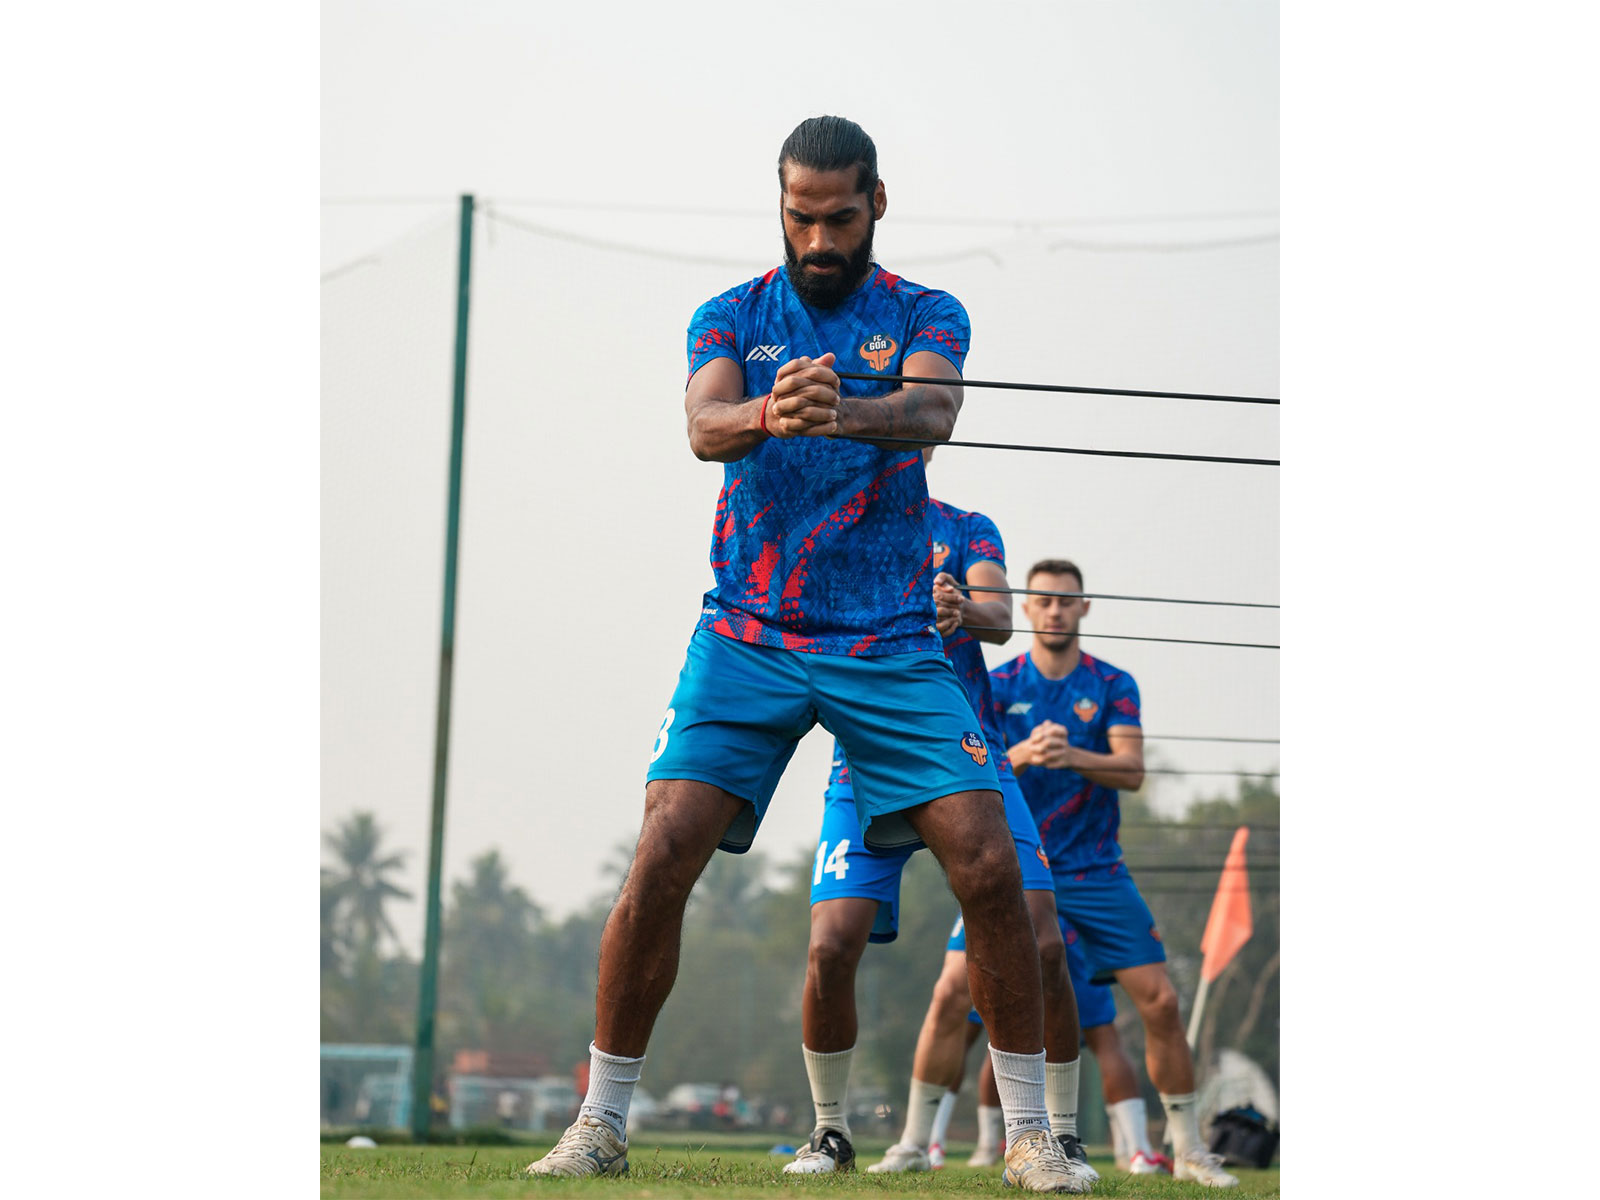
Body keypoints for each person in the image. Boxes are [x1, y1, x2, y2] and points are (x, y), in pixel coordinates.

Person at [525, 116, 1083, 1191]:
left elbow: (934, 407)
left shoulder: (924, 310)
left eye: (839, 218)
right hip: (747, 631)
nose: (819, 240)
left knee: (988, 865)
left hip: (888, 641)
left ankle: (1029, 1138)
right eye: (800, 217)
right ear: (779, 208)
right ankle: (599, 1124)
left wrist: (848, 410)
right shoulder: (730, 314)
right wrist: (768, 412)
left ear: (878, 204)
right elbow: (703, 425)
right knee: (661, 854)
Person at [781, 469, 1094, 1191]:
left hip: (971, 754)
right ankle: (830, 1129)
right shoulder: (837, 518)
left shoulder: (967, 527)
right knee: (829, 946)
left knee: (1044, 943)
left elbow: (999, 618)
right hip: (864, 760)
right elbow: (802, 612)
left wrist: (960, 607)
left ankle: (1057, 1134)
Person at [989, 559, 1238, 1188]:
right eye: (1044, 600)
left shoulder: (1112, 683)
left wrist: (1071, 753)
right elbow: (977, 771)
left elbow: (1132, 769)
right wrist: (1023, 754)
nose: (1055, 610)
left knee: (1162, 1000)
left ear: (1084, 607)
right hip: (1023, 870)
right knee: (949, 997)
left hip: (1099, 871)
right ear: (1027, 607)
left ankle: (1190, 1151)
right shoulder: (996, 685)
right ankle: (922, 1141)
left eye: (1066, 601)